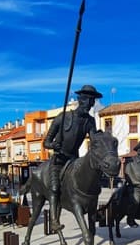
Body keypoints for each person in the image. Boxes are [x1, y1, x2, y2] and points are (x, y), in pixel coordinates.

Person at [43, 84, 103, 232]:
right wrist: (54, 146)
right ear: (80, 100)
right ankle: (54, 220)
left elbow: (94, 140)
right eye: (88, 101)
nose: (90, 105)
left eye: (92, 102)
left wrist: (102, 138)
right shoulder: (62, 117)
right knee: (55, 188)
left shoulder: (90, 121)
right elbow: (46, 142)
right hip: (59, 160)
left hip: (73, 160)